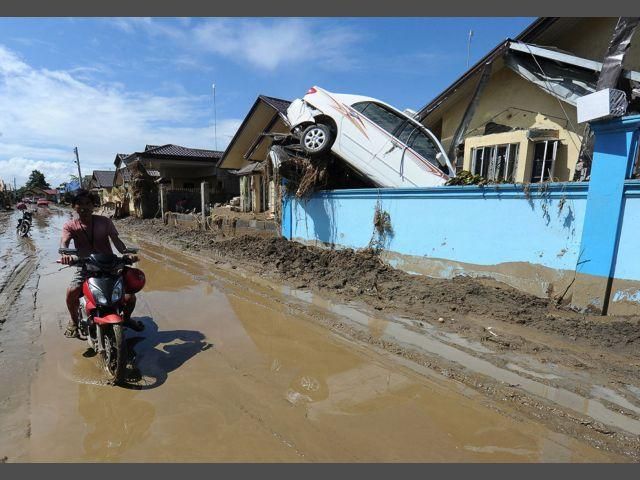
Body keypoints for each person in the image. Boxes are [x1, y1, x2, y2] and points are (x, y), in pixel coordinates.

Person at [60, 189, 144, 338]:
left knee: (130, 297)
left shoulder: (105, 221)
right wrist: (65, 254)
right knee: (71, 292)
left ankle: (127, 318)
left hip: (110, 265)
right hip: (85, 267)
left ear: (94, 205)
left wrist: (127, 254)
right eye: (79, 204)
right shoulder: (70, 226)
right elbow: (64, 242)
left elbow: (118, 243)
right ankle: (73, 321)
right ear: (74, 206)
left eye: (88, 203)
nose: (84, 207)